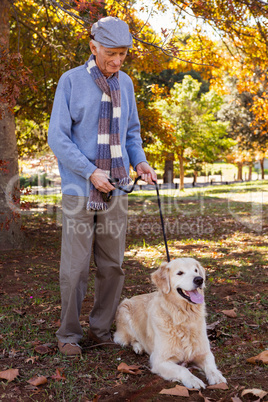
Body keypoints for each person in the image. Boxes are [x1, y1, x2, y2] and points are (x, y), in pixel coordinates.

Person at [48, 16, 157, 356]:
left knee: (112, 265)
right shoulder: (70, 82)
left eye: (123, 54)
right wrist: (90, 171)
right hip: (80, 190)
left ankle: (100, 329)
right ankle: (68, 334)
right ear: (93, 47)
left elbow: (131, 133)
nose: (117, 61)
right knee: (76, 267)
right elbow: (58, 137)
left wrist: (139, 162)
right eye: (111, 53)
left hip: (118, 189)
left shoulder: (125, 84)